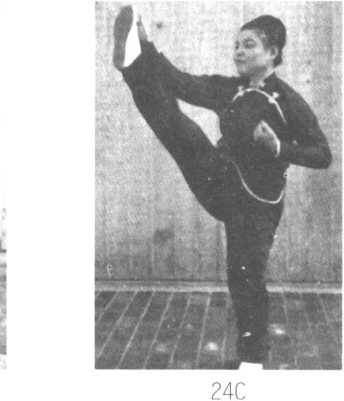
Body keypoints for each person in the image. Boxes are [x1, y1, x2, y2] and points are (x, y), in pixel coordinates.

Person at [112, 6, 331, 369]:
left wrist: (279, 147)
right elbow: (177, 80)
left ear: (273, 52)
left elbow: (322, 154)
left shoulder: (287, 101)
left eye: (249, 45)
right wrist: (147, 45)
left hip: (259, 205)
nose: (238, 52)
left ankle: (252, 361)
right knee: (181, 129)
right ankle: (131, 65)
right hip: (222, 183)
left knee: (244, 276)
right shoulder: (230, 89)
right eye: (236, 45)